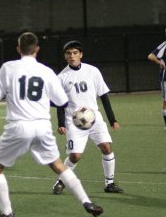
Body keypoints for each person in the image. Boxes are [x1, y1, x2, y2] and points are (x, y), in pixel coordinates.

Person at [0, 31, 104, 217]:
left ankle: (6, 213)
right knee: (58, 165)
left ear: (18, 49)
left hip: (19, 126)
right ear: (37, 49)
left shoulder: (8, 68)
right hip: (42, 126)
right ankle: (87, 202)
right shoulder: (47, 71)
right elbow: (62, 102)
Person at [52, 40, 123, 197]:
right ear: (65, 56)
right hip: (74, 121)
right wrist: (61, 123)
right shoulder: (61, 77)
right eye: (69, 53)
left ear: (81, 55)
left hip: (94, 117)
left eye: (75, 53)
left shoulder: (93, 71)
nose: (72, 56)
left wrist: (112, 119)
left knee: (107, 147)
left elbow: (103, 95)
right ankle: (61, 181)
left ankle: (109, 183)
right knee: (75, 156)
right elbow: (59, 103)